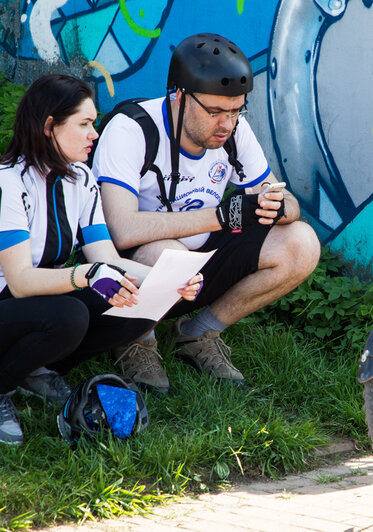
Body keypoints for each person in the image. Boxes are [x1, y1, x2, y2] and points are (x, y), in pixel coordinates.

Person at [0, 74, 202, 446]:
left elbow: (104, 257)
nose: (95, 134)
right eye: (85, 124)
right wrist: (87, 275)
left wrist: (166, 279)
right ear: (49, 126)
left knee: (139, 300)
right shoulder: (6, 183)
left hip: (26, 311)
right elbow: (22, 281)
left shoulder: (82, 180)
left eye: (95, 124)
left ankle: (35, 370)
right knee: (70, 315)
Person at [92, 33, 320, 391]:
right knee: (165, 253)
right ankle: (136, 338)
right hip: (130, 272)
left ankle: (198, 334)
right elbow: (120, 229)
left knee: (301, 242)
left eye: (236, 110)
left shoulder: (232, 130)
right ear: (179, 96)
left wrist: (278, 207)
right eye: (215, 111)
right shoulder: (133, 128)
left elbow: (286, 200)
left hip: (198, 264)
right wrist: (222, 216)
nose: (227, 124)